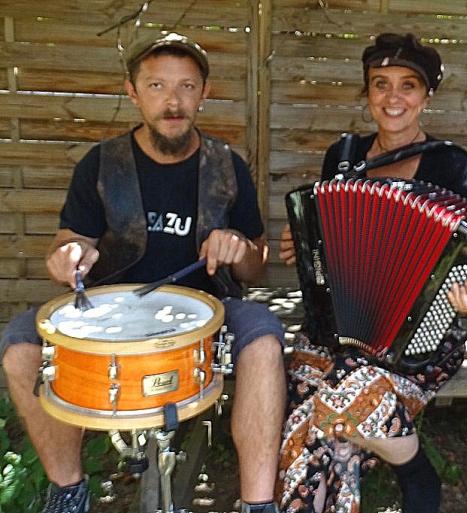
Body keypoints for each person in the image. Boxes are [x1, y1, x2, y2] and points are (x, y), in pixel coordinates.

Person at [0, 32, 285, 513]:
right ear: (132, 92)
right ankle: (68, 490)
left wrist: (237, 250)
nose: (172, 102)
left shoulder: (226, 165)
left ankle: (259, 503)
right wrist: (69, 255)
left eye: (186, 87)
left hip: (208, 307)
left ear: (204, 93)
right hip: (115, 309)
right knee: (21, 344)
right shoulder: (102, 163)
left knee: (265, 338)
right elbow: (70, 242)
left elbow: (256, 267)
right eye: (156, 87)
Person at [277, 33, 467, 513]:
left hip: (420, 337)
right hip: (338, 327)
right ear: (367, 92)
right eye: (380, 84)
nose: (393, 98)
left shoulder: (450, 164)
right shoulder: (343, 155)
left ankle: (415, 473)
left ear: (426, 96)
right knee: (309, 401)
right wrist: (304, 241)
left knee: (331, 398)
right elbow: (324, 239)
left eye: (408, 86)